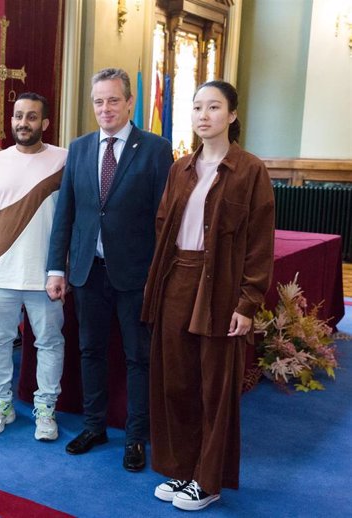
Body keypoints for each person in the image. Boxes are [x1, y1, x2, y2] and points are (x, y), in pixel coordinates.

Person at [141, 80, 274, 511]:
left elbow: (258, 244)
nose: (203, 115)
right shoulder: (180, 167)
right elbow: (164, 227)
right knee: (175, 381)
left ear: (232, 116)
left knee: (214, 387)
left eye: (214, 107)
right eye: (197, 107)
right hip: (177, 278)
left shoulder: (250, 171)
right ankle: (182, 469)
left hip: (221, 287)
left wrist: (247, 303)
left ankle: (209, 479)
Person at [46, 68, 173, 469]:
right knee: (90, 351)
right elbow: (65, 212)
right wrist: (55, 268)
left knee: (138, 357)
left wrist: (159, 273)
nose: (105, 108)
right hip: (87, 272)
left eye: (113, 100)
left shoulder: (155, 149)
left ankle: (136, 437)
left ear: (130, 102)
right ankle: (94, 425)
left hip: (136, 274)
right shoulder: (80, 148)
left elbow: (162, 219)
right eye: (98, 101)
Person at [0, 92, 67, 440]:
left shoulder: (63, 160)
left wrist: (63, 269)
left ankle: (45, 409)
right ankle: (1, 404)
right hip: (1, 272)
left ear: (45, 123)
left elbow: (73, 219)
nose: (23, 123)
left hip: (46, 277)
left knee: (49, 343)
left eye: (31, 117)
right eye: (18, 116)